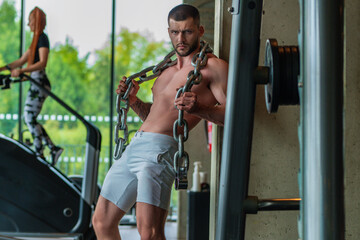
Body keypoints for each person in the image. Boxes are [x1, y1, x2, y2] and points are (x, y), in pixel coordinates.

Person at [92, 4, 228, 240]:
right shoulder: (165, 70)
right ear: (168, 32)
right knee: (102, 222)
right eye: (175, 32)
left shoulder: (213, 68)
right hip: (136, 145)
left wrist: (200, 108)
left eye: (187, 31)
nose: (181, 38)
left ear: (200, 30)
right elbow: (154, 116)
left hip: (161, 152)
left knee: (150, 233)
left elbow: (233, 117)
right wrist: (133, 100)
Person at [0, 7, 63, 165]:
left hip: (40, 82)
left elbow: (42, 63)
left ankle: (40, 152)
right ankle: (52, 148)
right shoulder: (35, 42)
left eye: (30, 21)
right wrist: (4, 69)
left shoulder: (43, 38)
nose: (28, 24)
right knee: (30, 117)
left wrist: (21, 71)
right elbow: (20, 61)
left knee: (28, 117)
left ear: (37, 22)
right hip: (35, 82)